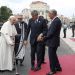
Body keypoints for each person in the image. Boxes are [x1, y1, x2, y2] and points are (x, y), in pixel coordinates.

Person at [38, 9, 62, 75]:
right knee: (54, 55)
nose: (48, 15)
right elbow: (50, 31)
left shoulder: (56, 21)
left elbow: (51, 33)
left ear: (52, 14)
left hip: (53, 42)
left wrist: (44, 38)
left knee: (51, 56)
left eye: (49, 14)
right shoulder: (55, 20)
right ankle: (58, 67)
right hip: (53, 41)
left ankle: (53, 70)